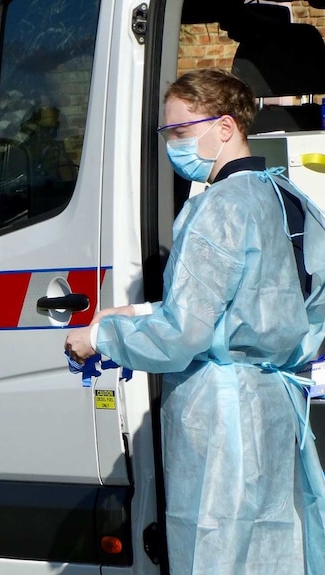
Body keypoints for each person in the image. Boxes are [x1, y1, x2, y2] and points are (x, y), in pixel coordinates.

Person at [64, 68, 325, 574]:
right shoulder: (292, 200)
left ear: (225, 127)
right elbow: (273, 303)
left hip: (222, 416)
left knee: (214, 547)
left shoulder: (215, 209)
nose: (172, 145)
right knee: (277, 548)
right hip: (276, 405)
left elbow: (181, 335)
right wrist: (138, 310)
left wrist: (101, 335)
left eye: (181, 132)